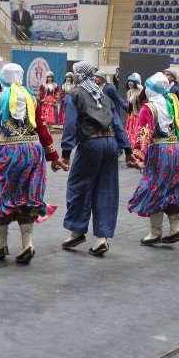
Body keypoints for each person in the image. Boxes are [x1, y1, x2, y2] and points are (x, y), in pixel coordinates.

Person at [0, 63, 65, 264]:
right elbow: (43, 130)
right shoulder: (31, 99)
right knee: (26, 197)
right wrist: (53, 158)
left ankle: (2, 245)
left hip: (6, 153)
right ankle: (28, 244)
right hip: (33, 153)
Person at [60, 62, 135, 256]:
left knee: (78, 186)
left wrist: (66, 153)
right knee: (106, 189)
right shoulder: (103, 95)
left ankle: (77, 230)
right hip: (111, 144)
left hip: (91, 144)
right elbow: (117, 124)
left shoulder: (74, 95)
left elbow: (70, 125)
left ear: (78, 76)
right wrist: (127, 150)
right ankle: (102, 237)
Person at [127, 73, 179, 245]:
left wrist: (138, 156)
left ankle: (155, 233)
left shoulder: (149, 108)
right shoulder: (172, 105)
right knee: (173, 188)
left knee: (154, 188)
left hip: (160, 153)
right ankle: (174, 229)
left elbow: (144, 133)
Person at [124, 72, 143, 145]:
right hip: (130, 116)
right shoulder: (128, 92)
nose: (130, 83)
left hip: (137, 116)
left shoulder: (140, 92)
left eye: (132, 81)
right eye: (129, 81)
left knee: (136, 133)